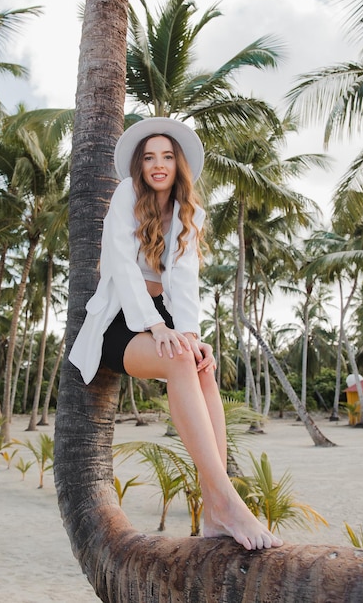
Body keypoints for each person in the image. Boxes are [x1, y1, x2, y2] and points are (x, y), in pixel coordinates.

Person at [69, 117, 283, 552]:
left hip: (165, 315)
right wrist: (156, 326)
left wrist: (191, 332)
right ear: (140, 166)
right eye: (149, 157)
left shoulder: (191, 212)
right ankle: (227, 500)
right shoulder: (126, 195)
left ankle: (215, 508)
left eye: (167, 156)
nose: (158, 164)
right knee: (179, 358)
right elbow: (122, 267)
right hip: (121, 319)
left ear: (178, 164)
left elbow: (185, 280)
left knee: (200, 365)